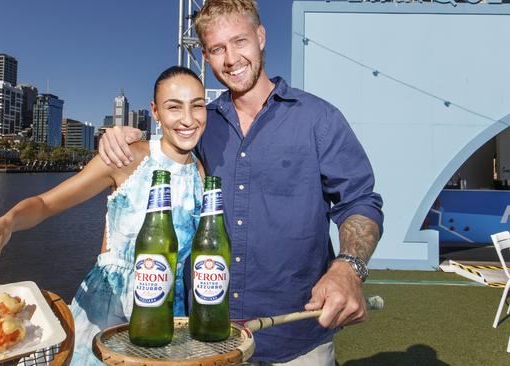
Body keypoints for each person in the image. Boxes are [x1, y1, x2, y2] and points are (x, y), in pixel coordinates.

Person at [97, 1, 384, 364]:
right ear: (206, 55)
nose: (231, 59)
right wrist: (120, 138)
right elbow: (154, 155)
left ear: (261, 37)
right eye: (217, 49)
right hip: (206, 340)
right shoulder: (200, 125)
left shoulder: (319, 119)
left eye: (240, 41)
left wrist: (348, 267)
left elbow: (360, 201)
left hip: (296, 340)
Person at [0, 66, 207, 365]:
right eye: (174, 107)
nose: (188, 118)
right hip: (107, 312)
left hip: (169, 312)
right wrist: (5, 222)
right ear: (155, 111)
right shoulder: (126, 157)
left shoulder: (200, 173)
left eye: (197, 105)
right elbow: (46, 203)